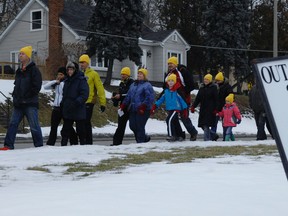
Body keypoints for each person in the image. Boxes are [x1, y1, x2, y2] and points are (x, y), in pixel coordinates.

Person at [0, 46, 43, 150]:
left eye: (22, 53)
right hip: (18, 104)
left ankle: (39, 146)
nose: (20, 55)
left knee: (34, 126)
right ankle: (8, 145)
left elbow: (37, 86)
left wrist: (27, 96)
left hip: (30, 103)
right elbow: (17, 86)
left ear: (28, 56)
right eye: (19, 53)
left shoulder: (34, 70)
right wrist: (15, 96)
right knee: (12, 124)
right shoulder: (19, 71)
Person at [161, 56, 198, 141]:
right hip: (173, 100)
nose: (170, 65)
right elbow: (165, 87)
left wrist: (181, 92)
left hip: (183, 99)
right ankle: (178, 134)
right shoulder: (168, 74)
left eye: (171, 63)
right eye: (168, 64)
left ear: (175, 64)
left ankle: (193, 132)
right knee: (173, 118)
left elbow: (191, 85)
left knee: (184, 117)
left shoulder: (183, 72)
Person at [43, 67, 78, 146]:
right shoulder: (56, 83)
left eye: (61, 74)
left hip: (64, 108)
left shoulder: (66, 83)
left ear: (65, 75)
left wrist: (61, 83)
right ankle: (51, 143)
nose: (59, 76)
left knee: (68, 126)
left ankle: (74, 141)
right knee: (53, 126)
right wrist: (56, 81)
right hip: (56, 108)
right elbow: (45, 87)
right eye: (58, 74)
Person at [120, 68, 154, 143]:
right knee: (132, 126)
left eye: (141, 74)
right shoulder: (133, 85)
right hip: (133, 109)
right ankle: (144, 138)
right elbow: (128, 96)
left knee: (140, 126)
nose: (139, 75)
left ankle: (140, 143)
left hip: (143, 110)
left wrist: (143, 106)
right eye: (138, 73)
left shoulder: (147, 85)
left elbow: (150, 97)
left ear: (144, 76)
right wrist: (123, 105)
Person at [79, 54, 106, 144]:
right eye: (80, 63)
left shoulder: (94, 74)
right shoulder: (80, 74)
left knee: (86, 121)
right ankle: (83, 141)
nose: (81, 64)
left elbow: (100, 88)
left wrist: (103, 103)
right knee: (81, 122)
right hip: (81, 102)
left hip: (89, 101)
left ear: (87, 63)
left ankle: (89, 142)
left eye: (83, 62)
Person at [151, 74, 187, 142]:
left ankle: (171, 135)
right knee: (175, 122)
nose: (170, 82)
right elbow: (161, 99)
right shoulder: (166, 91)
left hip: (176, 109)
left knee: (169, 120)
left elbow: (182, 100)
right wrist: (154, 106)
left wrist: (184, 109)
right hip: (170, 109)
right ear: (167, 82)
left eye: (172, 81)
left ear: (175, 82)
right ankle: (180, 135)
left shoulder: (177, 91)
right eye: (169, 81)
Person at [60, 62, 89, 146]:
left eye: (71, 69)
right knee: (65, 130)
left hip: (78, 108)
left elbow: (84, 94)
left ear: (75, 70)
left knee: (81, 131)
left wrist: (76, 102)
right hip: (68, 108)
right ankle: (64, 146)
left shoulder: (81, 80)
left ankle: (82, 146)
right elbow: (64, 94)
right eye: (68, 69)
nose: (69, 71)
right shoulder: (67, 80)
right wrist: (63, 104)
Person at [111, 67, 134, 146]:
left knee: (134, 126)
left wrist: (120, 96)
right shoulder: (121, 83)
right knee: (120, 126)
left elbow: (129, 94)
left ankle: (142, 139)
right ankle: (116, 143)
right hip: (123, 107)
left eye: (124, 74)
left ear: (128, 75)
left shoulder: (132, 83)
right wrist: (115, 99)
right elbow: (121, 95)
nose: (122, 75)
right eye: (121, 74)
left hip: (130, 107)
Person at [190, 74, 218, 141]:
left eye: (207, 79)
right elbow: (198, 98)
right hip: (203, 109)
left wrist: (216, 109)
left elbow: (216, 99)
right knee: (202, 125)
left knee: (206, 125)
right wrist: (193, 106)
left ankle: (206, 140)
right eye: (205, 79)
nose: (206, 81)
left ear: (210, 80)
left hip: (210, 109)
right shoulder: (202, 88)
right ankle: (213, 134)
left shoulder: (213, 88)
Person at [212, 71, 233, 141]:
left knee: (225, 124)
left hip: (225, 108)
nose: (217, 82)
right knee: (214, 123)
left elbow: (231, 96)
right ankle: (213, 137)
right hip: (216, 108)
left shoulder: (227, 87)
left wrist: (227, 105)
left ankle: (225, 138)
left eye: (219, 80)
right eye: (216, 80)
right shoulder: (215, 87)